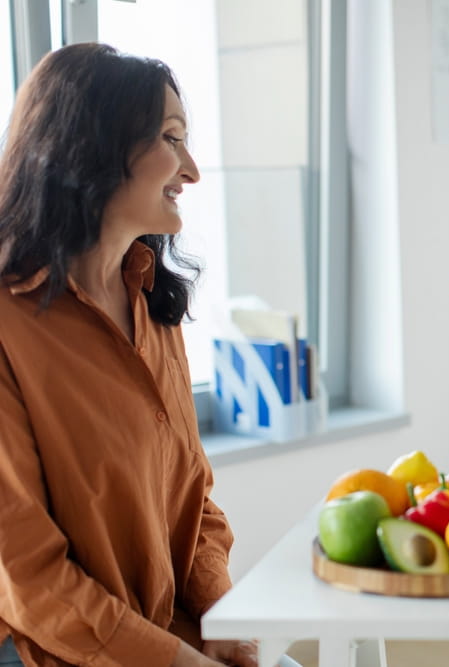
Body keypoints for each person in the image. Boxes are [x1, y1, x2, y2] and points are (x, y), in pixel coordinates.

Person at [0, 43, 256, 667]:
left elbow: (193, 506)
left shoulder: (151, 300)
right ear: (90, 151)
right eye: (171, 138)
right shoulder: (8, 328)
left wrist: (225, 616)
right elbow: (29, 581)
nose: (192, 170)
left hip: (169, 634)